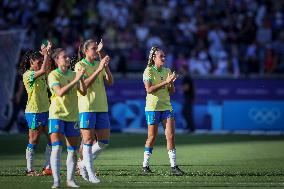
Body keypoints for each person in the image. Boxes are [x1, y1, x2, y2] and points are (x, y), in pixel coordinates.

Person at [142, 46, 185, 175]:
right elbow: (149, 89)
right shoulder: (148, 71)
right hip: (153, 108)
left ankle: (173, 167)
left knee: (170, 136)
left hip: (166, 107)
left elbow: (172, 91)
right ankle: (145, 166)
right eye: (161, 56)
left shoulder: (167, 70)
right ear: (154, 58)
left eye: (164, 56)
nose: (164, 58)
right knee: (152, 137)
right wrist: (165, 82)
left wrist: (170, 83)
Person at [74, 39, 112, 183]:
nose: (96, 50)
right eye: (93, 48)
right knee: (88, 140)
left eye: (97, 48)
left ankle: (82, 164)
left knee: (103, 141)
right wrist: (99, 68)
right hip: (87, 107)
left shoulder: (98, 63)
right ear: (85, 51)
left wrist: (105, 66)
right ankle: (91, 174)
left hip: (102, 107)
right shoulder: (80, 65)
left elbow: (110, 81)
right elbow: (84, 86)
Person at [48, 48, 87, 188]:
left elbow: (83, 91)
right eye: (64, 57)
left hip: (72, 116)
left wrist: (81, 78)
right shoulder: (53, 75)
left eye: (68, 56)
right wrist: (76, 79)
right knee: (57, 148)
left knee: (72, 150)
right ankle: (56, 180)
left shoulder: (73, 74)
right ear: (57, 60)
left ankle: (70, 180)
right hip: (57, 115)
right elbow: (59, 93)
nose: (68, 58)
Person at [19, 43, 53, 176]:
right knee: (34, 140)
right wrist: (45, 56)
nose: (40, 64)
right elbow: (44, 70)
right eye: (38, 62)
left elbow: (47, 68)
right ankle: (29, 169)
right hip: (34, 111)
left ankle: (47, 167)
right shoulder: (28, 75)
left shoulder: (42, 72)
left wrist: (48, 55)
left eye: (41, 62)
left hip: (46, 110)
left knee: (52, 139)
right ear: (31, 62)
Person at [181, 65, 195, 133]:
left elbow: (186, 88)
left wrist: (180, 88)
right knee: (186, 112)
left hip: (188, 97)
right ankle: (189, 127)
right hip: (189, 97)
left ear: (184, 70)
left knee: (186, 113)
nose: (180, 70)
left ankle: (191, 128)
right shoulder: (187, 77)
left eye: (182, 69)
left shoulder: (186, 78)